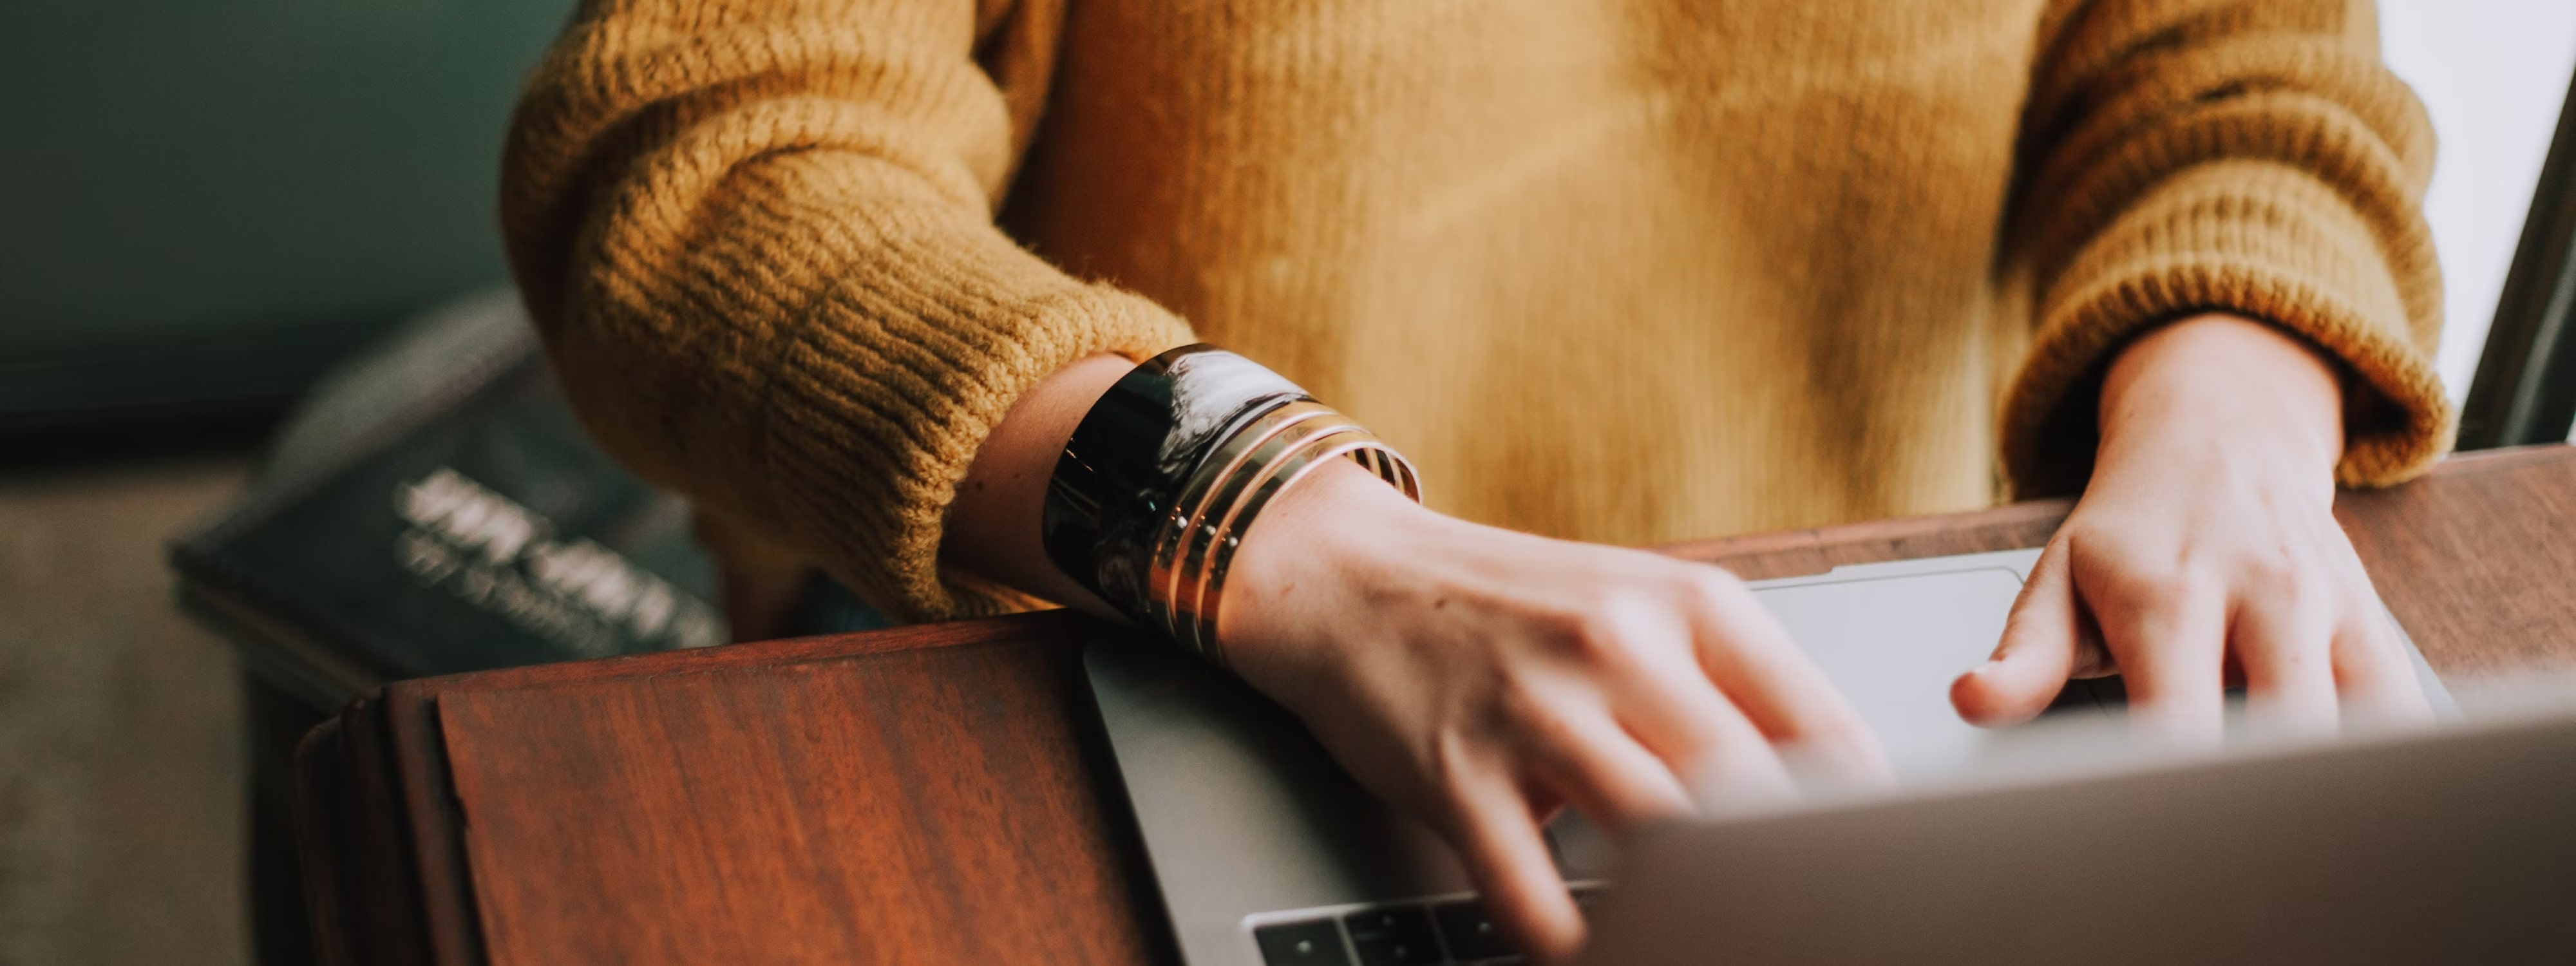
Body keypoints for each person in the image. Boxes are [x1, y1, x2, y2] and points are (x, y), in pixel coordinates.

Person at [501, 1, 2449, 960]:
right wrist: (1278, 520)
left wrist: (2235, 399)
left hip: (1844, 705)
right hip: (1117, 665)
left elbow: (2244, 68)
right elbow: (704, 157)